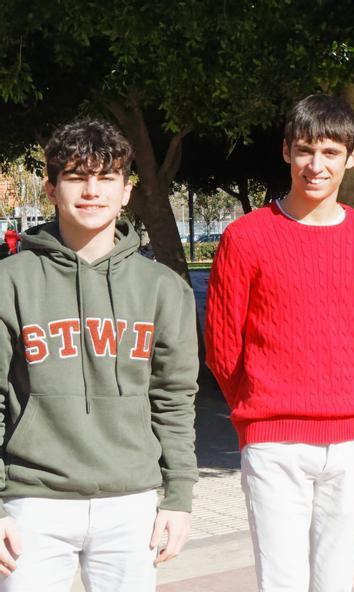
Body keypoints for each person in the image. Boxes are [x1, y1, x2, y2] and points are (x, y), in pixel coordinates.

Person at [0, 119, 198, 591]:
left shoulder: (163, 289)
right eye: (75, 176)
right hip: (32, 502)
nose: (92, 191)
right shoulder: (9, 283)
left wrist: (179, 498)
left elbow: (173, 399)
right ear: (51, 188)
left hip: (131, 504)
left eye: (106, 177)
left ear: (126, 190)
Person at [205, 94, 354, 591]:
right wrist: (260, 408)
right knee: (281, 583)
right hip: (273, 439)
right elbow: (223, 348)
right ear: (287, 152)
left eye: (331, 153)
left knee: (337, 583)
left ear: (351, 157)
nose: (317, 165)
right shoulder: (245, 237)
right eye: (306, 150)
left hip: (350, 439)